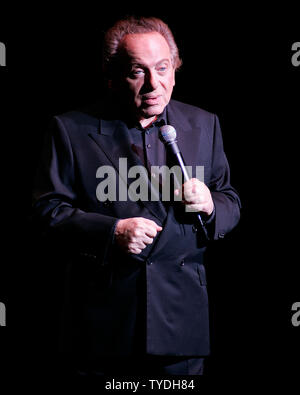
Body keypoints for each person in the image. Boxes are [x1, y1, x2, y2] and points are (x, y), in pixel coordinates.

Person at [32, 16, 241, 376]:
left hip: (181, 323)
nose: (153, 85)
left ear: (175, 70)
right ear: (112, 77)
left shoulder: (204, 124)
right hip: (103, 325)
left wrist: (210, 204)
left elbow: (229, 200)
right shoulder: (71, 129)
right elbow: (47, 210)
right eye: (136, 72)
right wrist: (111, 232)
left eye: (162, 69)